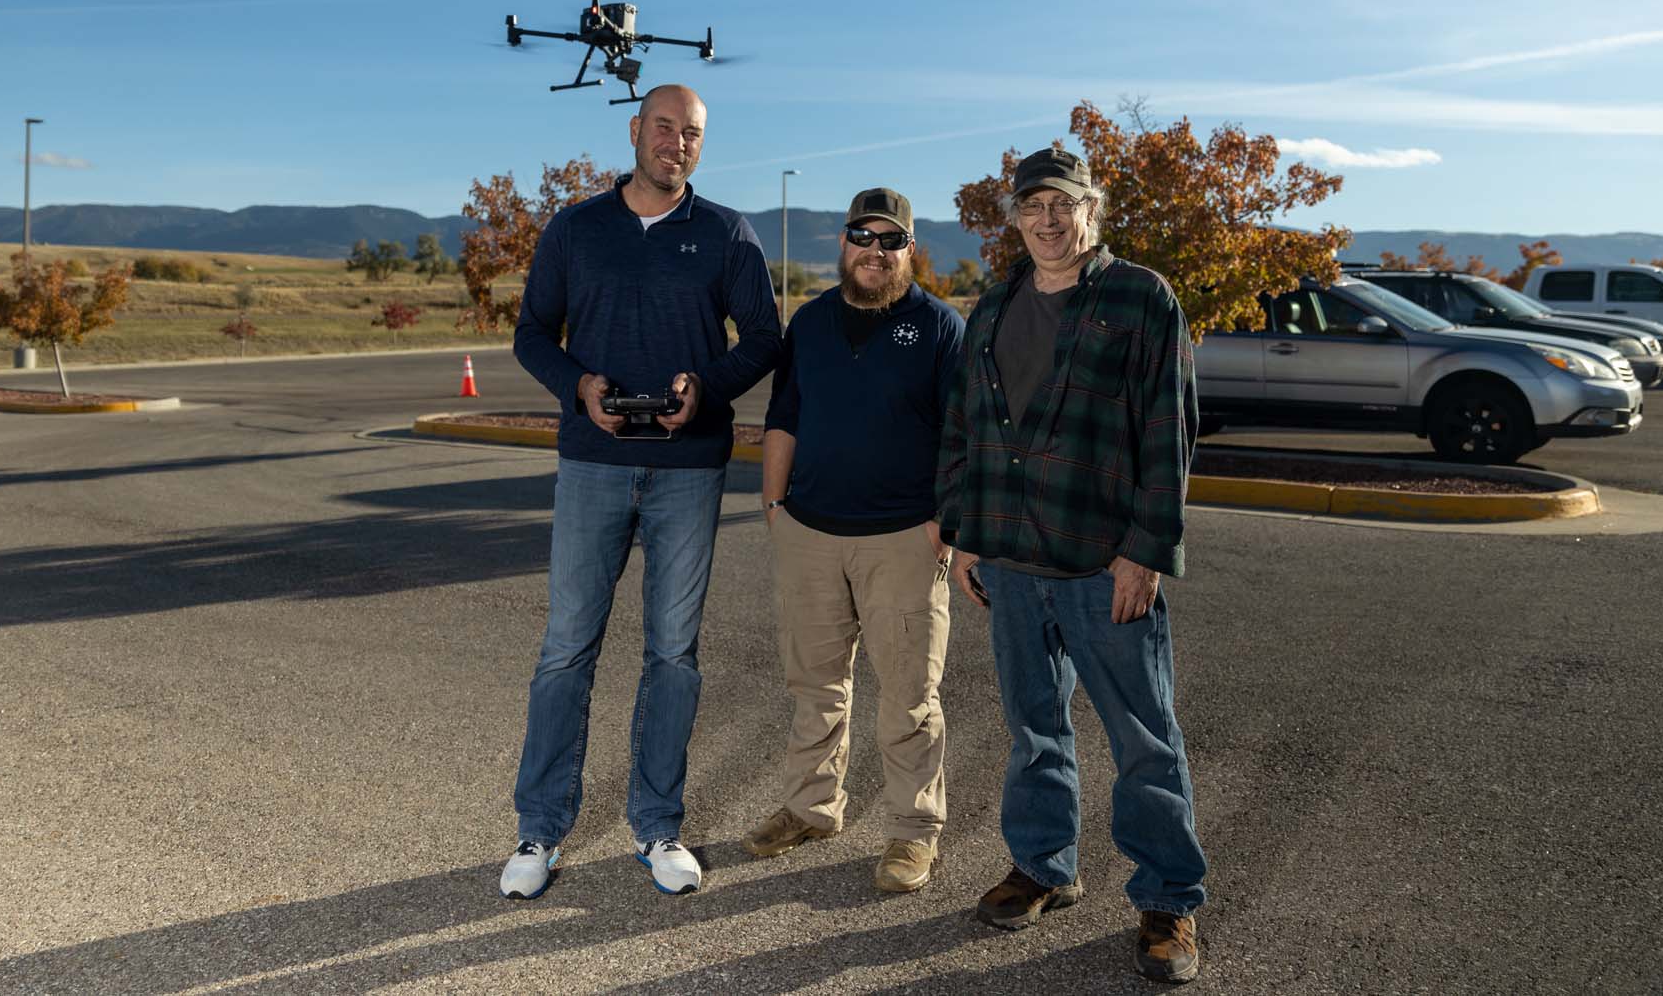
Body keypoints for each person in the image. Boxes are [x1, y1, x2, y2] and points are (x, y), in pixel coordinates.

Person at [936, 145, 1209, 983]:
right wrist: (964, 532)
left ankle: (1168, 901)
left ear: (1092, 209)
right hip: (1011, 560)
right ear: (1015, 219)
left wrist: (1146, 551)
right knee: (1032, 727)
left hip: (1102, 562)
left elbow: (1170, 431)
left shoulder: (1139, 297)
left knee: (1144, 738)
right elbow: (966, 431)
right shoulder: (992, 307)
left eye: (1063, 204)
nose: (1048, 220)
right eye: (1032, 207)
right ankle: (1043, 865)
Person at [501, 84, 782, 899]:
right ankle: (539, 829)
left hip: (689, 469)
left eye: (691, 133)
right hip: (593, 461)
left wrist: (709, 391)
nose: (676, 143)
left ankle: (658, 825)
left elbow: (764, 337)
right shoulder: (576, 228)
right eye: (664, 128)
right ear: (635, 130)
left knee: (673, 654)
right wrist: (580, 387)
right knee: (566, 649)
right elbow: (530, 333)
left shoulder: (727, 233)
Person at [746, 187, 966, 892]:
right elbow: (785, 416)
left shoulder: (937, 327)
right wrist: (775, 504)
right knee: (814, 684)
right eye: (861, 236)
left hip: (903, 538)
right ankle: (812, 808)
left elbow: (964, 436)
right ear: (843, 243)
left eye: (890, 240)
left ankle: (913, 832)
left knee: (907, 693)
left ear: (910, 250)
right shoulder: (809, 323)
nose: (875, 251)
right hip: (809, 532)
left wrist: (946, 522)